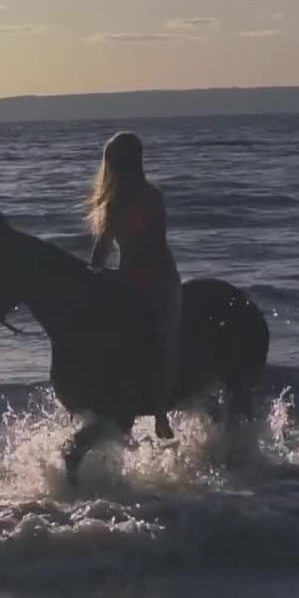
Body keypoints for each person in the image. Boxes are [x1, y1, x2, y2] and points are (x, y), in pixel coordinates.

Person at [84, 131, 182, 439]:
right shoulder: (113, 204)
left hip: (159, 280)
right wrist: (90, 275)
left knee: (163, 337)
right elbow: (102, 250)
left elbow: (151, 248)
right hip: (129, 279)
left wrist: (119, 275)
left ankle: (161, 412)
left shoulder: (150, 197)